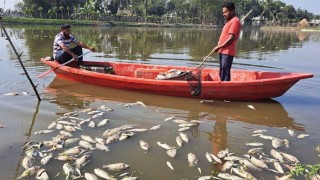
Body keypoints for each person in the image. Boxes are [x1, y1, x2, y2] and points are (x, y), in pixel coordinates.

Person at [212, 2, 241, 81]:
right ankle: (222, 86)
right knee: (222, 71)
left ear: (232, 11)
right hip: (223, 50)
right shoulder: (230, 21)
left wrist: (219, 47)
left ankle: (225, 89)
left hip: (227, 51)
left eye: (226, 12)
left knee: (225, 71)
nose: (224, 14)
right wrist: (219, 47)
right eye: (223, 12)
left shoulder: (235, 21)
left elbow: (231, 38)